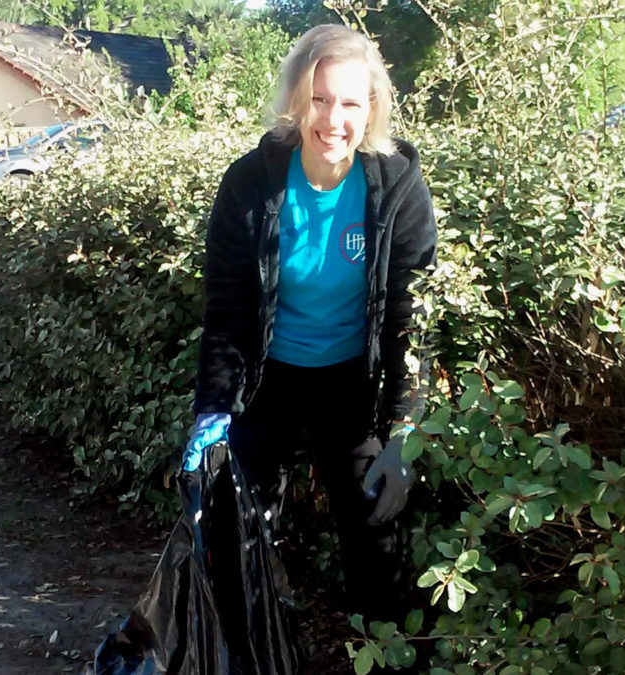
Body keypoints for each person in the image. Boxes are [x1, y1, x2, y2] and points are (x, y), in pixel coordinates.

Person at [179, 23, 437, 625]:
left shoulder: (396, 184)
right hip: (268, 377)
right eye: (319, 99)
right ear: (298, 99)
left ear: (370, 107)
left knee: (378, 534)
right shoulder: (249, 184)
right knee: (233, 529)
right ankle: (246, 654)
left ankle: (389, 656)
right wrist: (212, 410)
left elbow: (411, 317)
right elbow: (227, 309)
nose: (333, 119)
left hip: (351, 379)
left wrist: (403, 433)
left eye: (350, 102)